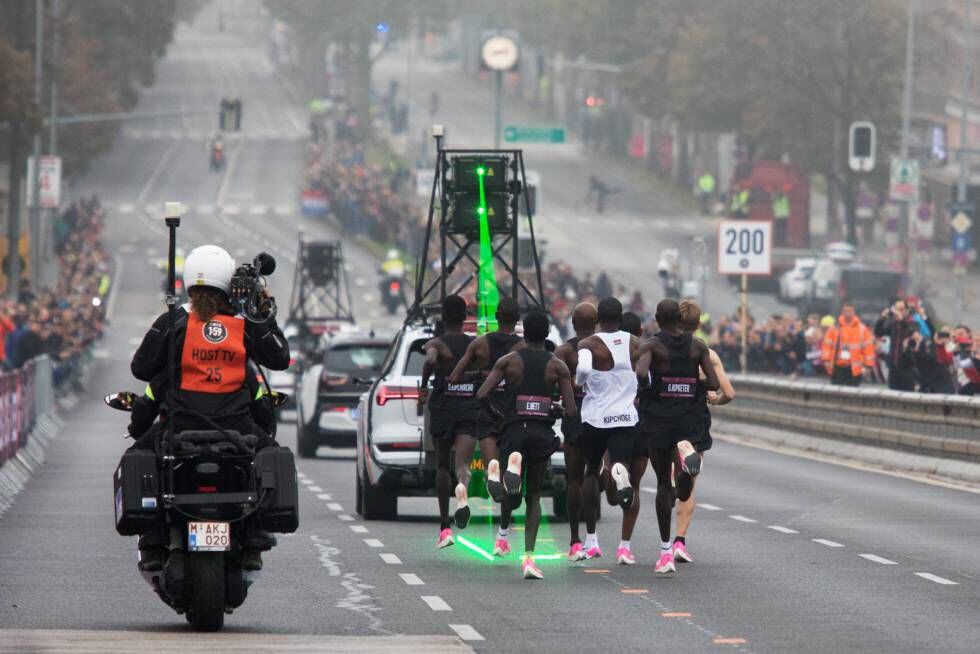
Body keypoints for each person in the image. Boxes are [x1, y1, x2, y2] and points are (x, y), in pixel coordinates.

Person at [130, 245, 290, 571]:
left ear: (189, 281)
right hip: (238, 429)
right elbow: (279, 359)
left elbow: (142, 369)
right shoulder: (242, 323)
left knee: (136, 456)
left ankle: (152, 536)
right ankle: (256, 529)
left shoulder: (174, 321)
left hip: (179, 426)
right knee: (273, 454)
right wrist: (260, 313)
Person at [479, 311, 576, 579]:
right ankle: (529, 559)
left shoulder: (508, 361)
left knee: (514, 492)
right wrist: (553, 408)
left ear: (524, 335)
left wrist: (501, 414)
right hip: (540, 433)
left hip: (513, 430)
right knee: (534, 495)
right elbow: (570, 410)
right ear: (546, 335)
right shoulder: (558, 366)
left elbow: (481, 394)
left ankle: (508, 490)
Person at [636, 299, 719, 574]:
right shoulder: (697, 346)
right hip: (689, 419)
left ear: (658, 319)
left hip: (659, 420)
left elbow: (641, 372)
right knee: (683, 484)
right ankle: (685, 469)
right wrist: (694, 385)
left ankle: (664, 553)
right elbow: (715, 383)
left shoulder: (652, 345)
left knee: (662, 485)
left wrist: (649, 388)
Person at [448, 297, 522, 556]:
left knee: (497, 468)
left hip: (488, 413)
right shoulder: (522, 347)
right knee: (511, 477)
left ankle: (493, 473)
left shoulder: (480, 344)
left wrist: (480, 375)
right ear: (516, 319)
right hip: (513, 415)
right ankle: (503, 534)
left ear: (496, 315)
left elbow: (455, 376)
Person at [576, 297, 642, 560]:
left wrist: (582, 382)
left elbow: (582, 369)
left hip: (595, 418)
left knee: (591, 471)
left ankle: (591, 540)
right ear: (621, 316)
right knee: (621, 465)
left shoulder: (588, 343)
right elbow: (647, 374)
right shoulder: (636, 343)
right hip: (625, 416)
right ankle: (624, 546)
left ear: (597, 320)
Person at [672, 300, 734, 564]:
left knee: (668, 482)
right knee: (689, 486)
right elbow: (729, 393)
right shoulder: (707, 353)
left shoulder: (661, 349)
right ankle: (679, 541)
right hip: (695, 421)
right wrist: (713, 399)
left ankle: (663, 545)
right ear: (698, 325)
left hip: (665, 419)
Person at [418, 295, 478, 549]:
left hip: (444, 407)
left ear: (443, 317)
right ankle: (462, 492)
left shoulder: (437, 343)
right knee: (462, 463)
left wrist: (424, 383)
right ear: (465, 318)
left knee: (442, 464)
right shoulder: (476, 345)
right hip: (467, 407)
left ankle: (444, 527)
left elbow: (430, 359)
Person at [552, 302, 597, 562]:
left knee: (574, 479)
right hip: (602, 417)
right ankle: (592, 537)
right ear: (597, 323)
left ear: (573, 322)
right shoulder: (605, 349)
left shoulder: (564, 352)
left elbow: (551, 384)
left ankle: (574, 540)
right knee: (594, 473)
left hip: (575, 417)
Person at [607, 310, 649, 565]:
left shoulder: (609, 355)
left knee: (613, 489)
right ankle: (624, 547)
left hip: (616, 422)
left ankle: (613, 480)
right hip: (642, 423)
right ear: (641, 332)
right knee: (634, 486)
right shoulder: (647, 352)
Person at [820, 301, 875, 386]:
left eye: (850, 311)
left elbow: (868, 348)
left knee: (852, 395)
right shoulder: (834, 327)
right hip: (837, 366)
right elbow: (827, 345)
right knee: (836, 393)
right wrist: (826, 360)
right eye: (845, 311)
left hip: (854, 368)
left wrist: (868, 366)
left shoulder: (862, 329)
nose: (847, 313)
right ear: (842, 312)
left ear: (854, 312)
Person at [874, 299, 919, 391]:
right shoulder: (892, 324)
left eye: (901, 310)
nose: (899, 312)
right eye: (897, 309)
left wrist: (901, 320)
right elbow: (879, 332)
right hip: (893, 368)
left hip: (907, 367)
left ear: (906, 311)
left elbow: (910, 332)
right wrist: (882, 318)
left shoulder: (913, 323)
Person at [911, 326, 955, 394]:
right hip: (931, 381)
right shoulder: (930, 345)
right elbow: (923, 361)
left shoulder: (952, 346)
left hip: (944, 380)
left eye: (947, 334)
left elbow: (943, 359)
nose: (944, 336)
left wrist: (943, 343)